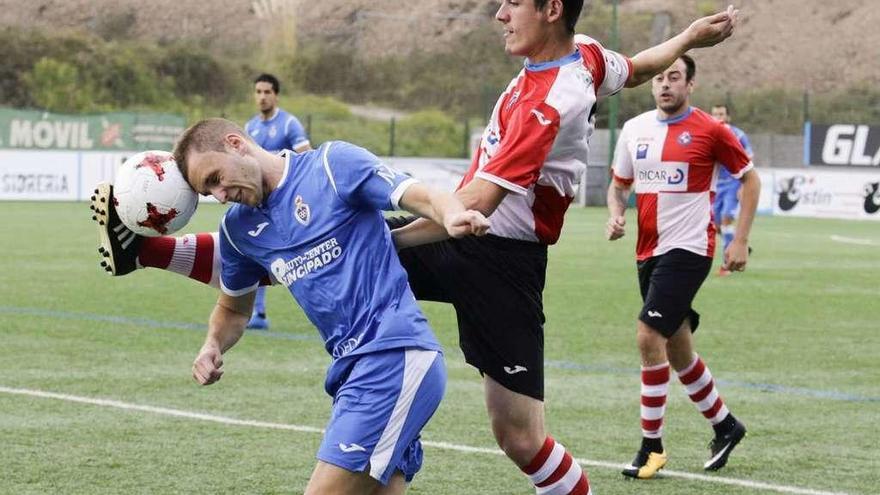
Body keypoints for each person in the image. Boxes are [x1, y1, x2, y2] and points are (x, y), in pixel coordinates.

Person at [92, 2, 739, 492]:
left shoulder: (550, 100)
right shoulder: (587, 55)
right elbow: (637, 70)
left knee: (519, 436)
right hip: (464, 231)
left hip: (500, 258)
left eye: (512, 1)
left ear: (549, 10)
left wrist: (372, 236)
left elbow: (475, 206)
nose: (497, 13)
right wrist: (687, 38)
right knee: (317, 256)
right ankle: (144, 253)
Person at [178, 117, 488, 494]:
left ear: (236, 144)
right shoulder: (238, 232)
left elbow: (421, 196)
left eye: (215, 178)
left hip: (394, 356)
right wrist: (212, 344)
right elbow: (233, 309)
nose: (221, 194)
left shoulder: (332, 165)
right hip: (350, 373)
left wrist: (451, 213)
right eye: (209, 192)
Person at [606, 54, 760, 479]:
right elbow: (618, 186)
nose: (665, 85)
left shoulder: (712, 131)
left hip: (690, 249)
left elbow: (750, 179)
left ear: (690, 85)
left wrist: (741, 240)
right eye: (659, 78)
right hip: (647, 252)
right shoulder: (634, 130)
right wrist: (615, 213)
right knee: (676, 347)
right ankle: (726, 425)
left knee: (647, 334)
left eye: (674, 77)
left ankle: (651, 447)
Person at [243, 73, 312, 329]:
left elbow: (307, 159)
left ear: (276, 95)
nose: (262, 97)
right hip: (259, 204)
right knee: (252, 253)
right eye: (258, 92)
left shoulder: (288, 125)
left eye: (267, 92)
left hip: (287, 203)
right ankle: (258, 314)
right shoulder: (250, 128)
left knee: (309, 256)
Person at [710, 103, 754, 276]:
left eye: (721, 114)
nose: (718, 118)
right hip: (716, 185)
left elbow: (749, 160)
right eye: (715, 114)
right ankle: (739, 245)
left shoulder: (738, 134)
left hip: (733, 183)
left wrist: (743, 185)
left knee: (727, 220)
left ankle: (726, 265)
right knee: (717, 226)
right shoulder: (708, 133)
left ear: (727, 117)